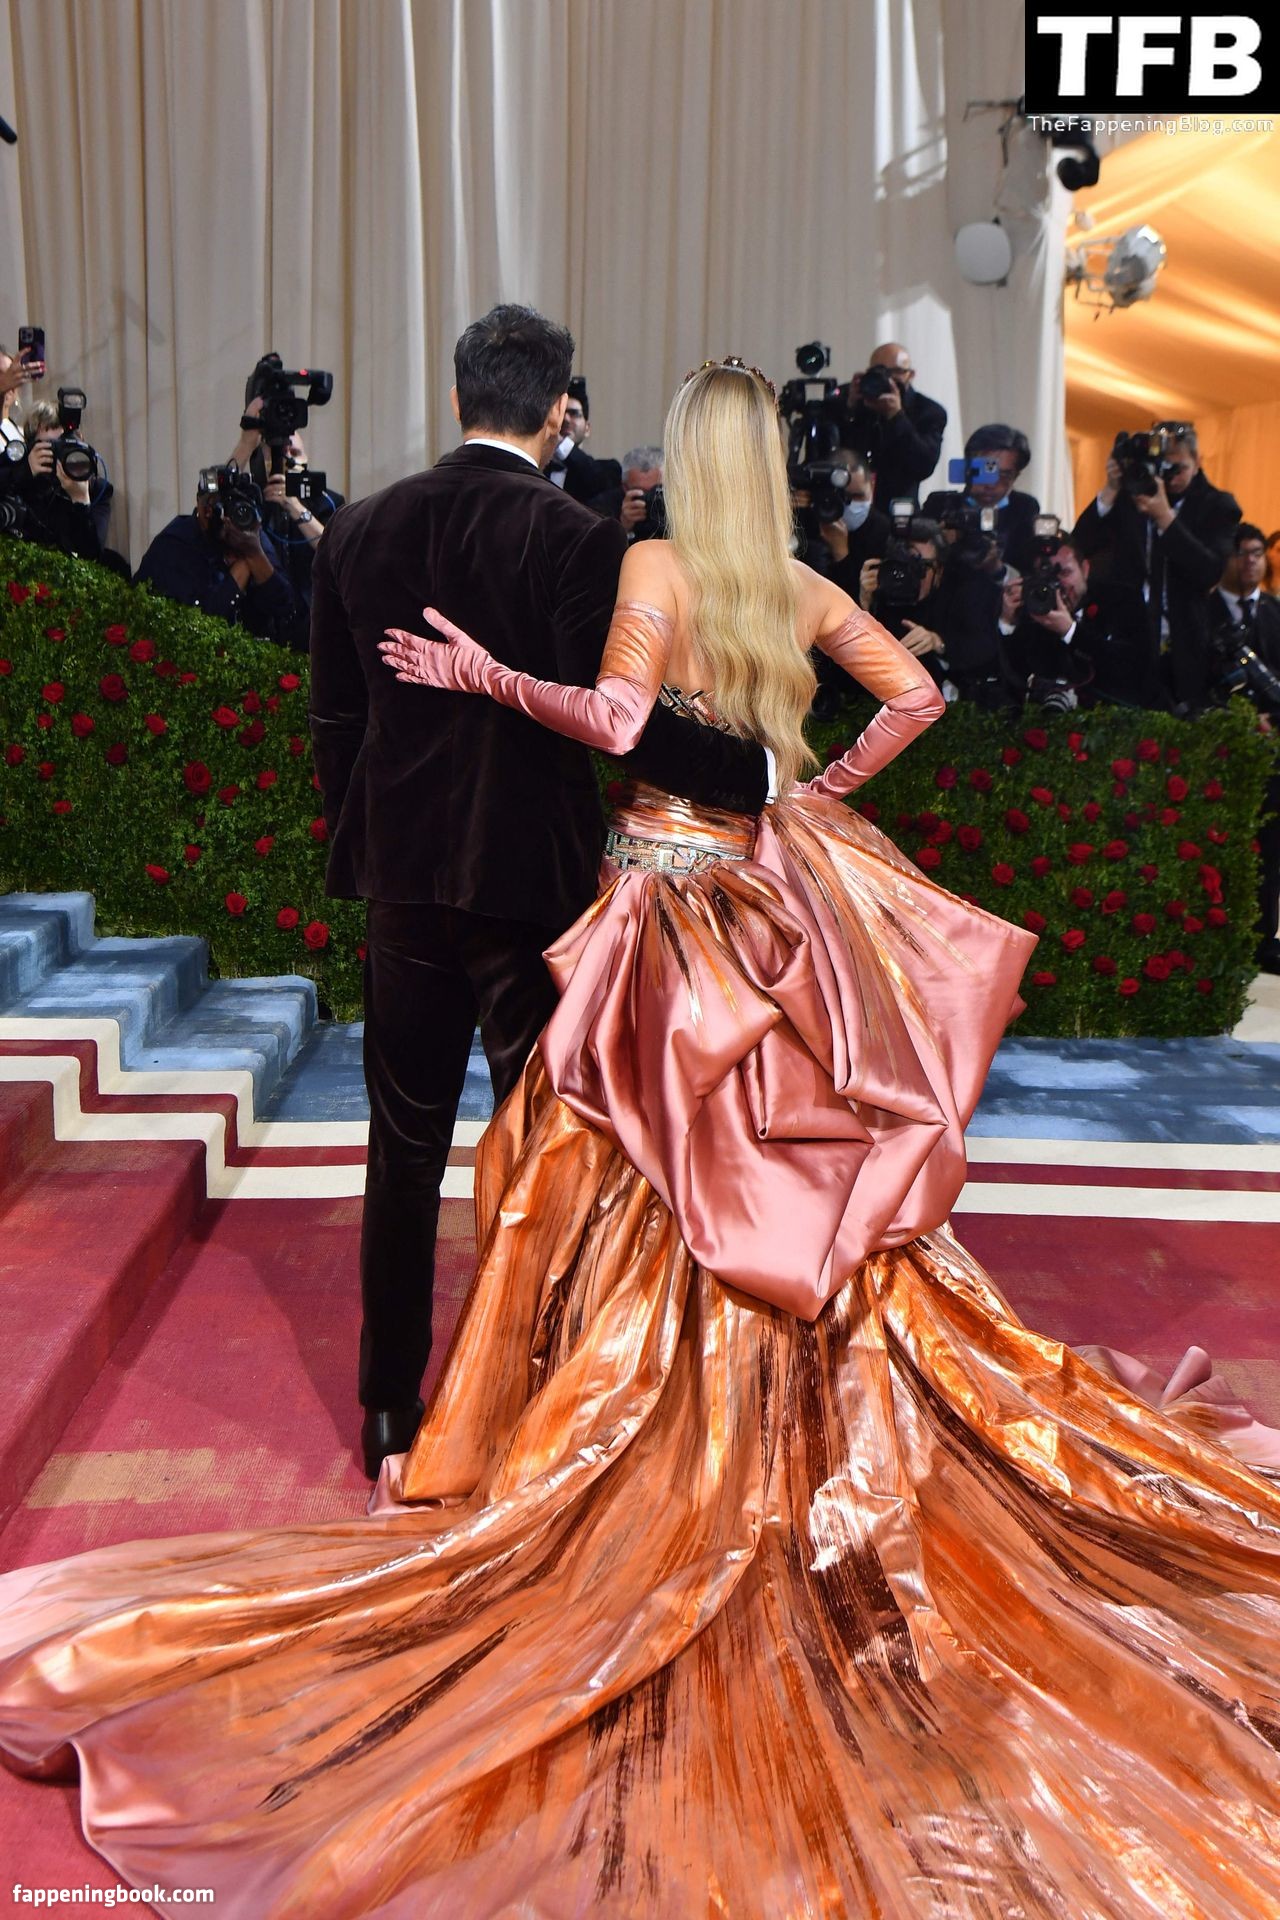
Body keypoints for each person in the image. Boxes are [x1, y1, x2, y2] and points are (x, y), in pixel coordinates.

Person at [4, 362, 1280, 1918]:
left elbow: (615, 721)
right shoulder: (798, 582)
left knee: (615, 1170)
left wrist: (486, 677)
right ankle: (789, 1438)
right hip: (774, 893)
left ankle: (594, 1438)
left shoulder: (655, 570)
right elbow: (921, 697)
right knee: (788, 1169)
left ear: (683, 459)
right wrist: (814, 798)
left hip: (664, 916)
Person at [307, 309, 771, 1480]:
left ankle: (387, 1411)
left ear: (455, 395)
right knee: (549, 1149)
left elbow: (336, 722)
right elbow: (623, 729)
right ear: (560, 411)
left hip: (404, 880)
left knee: (403, 1146)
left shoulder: (358, 527)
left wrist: (370, 837)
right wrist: (753, 776)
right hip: (532, 884)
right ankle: (536, 1397)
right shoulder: (576, 539)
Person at [1072, 423, 1241, 710]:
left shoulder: (1218, 505)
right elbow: (1082, 545)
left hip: (1182, 645)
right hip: (1127, 638)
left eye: (1179, 468)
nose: (1169, 477)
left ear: (1198, 461)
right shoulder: (1132, 494)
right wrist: (1110, 489)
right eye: (1163, 467)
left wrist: (1165, 517)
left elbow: (1209, 571)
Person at [1210, 525, 1280, 973]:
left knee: (1271, 846)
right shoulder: (1203, 609)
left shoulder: (1274, 611)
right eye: (1242, 553)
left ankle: (1264, 939)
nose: (1251, 561)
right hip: (1221, 744)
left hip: (1274, 748)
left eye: (1257, 552)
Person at [134, 466, 302, 640]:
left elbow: (286, 608)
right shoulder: (175, 544)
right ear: (201, 508)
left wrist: (254, 553)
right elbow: (201, 625)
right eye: (219, 506)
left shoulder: (248, 533)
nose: (229, 516)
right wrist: (244, 563)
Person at [1003, 534, 1155, 710]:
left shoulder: (1122, 599)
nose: (1057, 584)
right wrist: (1007, 623)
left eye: (1065, 573)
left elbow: (1132, 667)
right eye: (1045, 575)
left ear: (1085, 569)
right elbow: (1013, 680)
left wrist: (1071, 632)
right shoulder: (1034, 607)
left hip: (1115, 714)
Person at [921, 422, 1041, 574]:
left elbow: (1026, 572)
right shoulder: (941, 505)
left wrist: (996, 568)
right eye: (984, 472)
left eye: (1004, 475)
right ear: (967, 469)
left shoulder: (1023, 508)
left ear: (1016, 475)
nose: (991, 484)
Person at [844, 340, 946, 510]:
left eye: (895, 372)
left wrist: (896, 416)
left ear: (910, 375)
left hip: (898, 510)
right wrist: (850, 410)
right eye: (879, 371)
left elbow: (923, 466)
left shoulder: (928, 411)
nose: (887, 378)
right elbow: (832, 452)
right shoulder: (852, 399)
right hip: (848, 508)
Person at [544, 379, 621, 506]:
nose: (566, 419)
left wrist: (561, 444)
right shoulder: (537, 468)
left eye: (574, 414)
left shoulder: (606, 470)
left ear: (587, 429)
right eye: (561, 413)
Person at [593, 441, 666, 539]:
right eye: (642, 492)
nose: (651, 497)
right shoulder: (604, 509)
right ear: (624, 487)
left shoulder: (681, 503)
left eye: (657, 490)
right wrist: (624, 529)